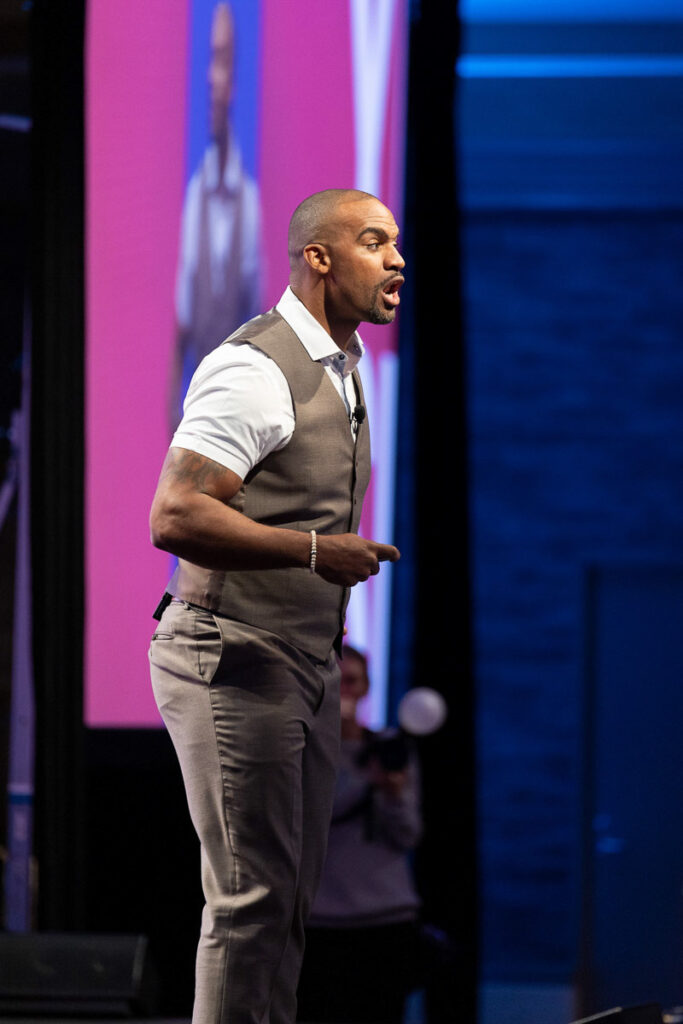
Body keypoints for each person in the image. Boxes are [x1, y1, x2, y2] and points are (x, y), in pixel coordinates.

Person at [148, 187, 405, 1024]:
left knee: (288, 901)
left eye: (396, 242)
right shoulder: (255, 366)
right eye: (374, 242)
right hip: (232, 653)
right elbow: (176, 513)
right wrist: (311, 550)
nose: (396, 259)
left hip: (301, 663)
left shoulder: (345, 368)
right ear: (317, 259)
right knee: (250, 900)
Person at [297, 645, 423, 1024]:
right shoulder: (300, 750)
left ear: (366, 688)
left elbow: (408, 835)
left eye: (351, 682)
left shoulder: (389, 749)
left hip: (385, 921)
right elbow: (312, 817)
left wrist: (393, 793)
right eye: (334, 682)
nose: (343, 692)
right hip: (321, 922)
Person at [170, 1, 262, 428]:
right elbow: (181, 320)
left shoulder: (249, 201)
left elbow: (256, 313)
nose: (211, 80)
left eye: (222, 62)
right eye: (209, 61)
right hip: (196, 408)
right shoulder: (193, 194)